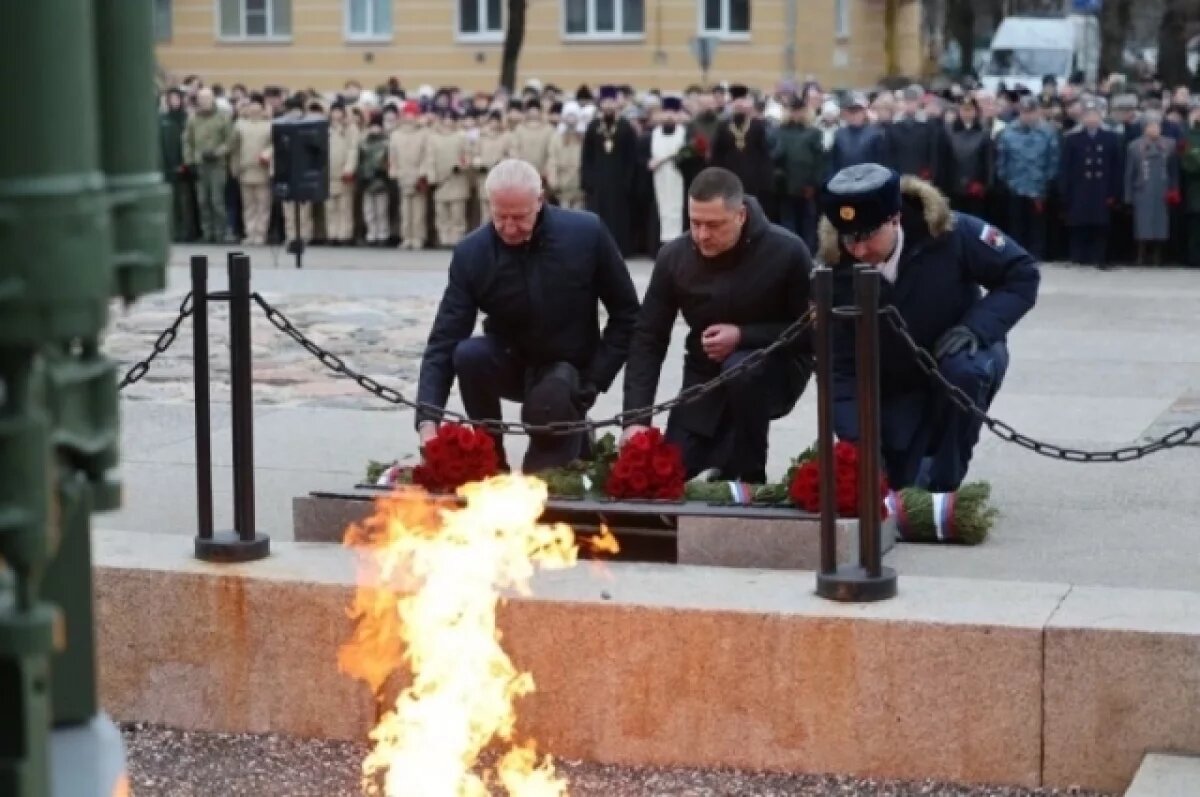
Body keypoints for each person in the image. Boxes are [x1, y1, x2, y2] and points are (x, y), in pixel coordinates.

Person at [817, 163, 1040, 493]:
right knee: (897, 478)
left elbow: (1022, 274)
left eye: (867, 236)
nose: (859, 251)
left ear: (895, 219)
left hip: (959, 354)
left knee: (964, 373)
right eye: (849, 239)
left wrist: (977, 328)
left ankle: (944, 486)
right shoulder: (833, 272)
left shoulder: (952, 233)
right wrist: (861, 448)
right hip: (897, 380)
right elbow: (840, 370)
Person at [415, 158, 641, 472]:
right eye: (500, 217)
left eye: (520, 217)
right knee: (468, 355)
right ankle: (491, 459)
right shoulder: (472, 253)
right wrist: (428, 422)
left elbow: (628, 315)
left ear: (540, 200)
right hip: (511, 361)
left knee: (542, 480)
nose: (509, 228)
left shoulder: (586, 234)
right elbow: (444, 339)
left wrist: (594, 379)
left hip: (568, 370)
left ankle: (576, 434)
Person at [621, 167, 814, 483]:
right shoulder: (674, 257)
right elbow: (648, 338)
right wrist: (636, 418)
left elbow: (811, 332)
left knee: (742, 371)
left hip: (773, 369)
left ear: (740, 215)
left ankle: (750, 475)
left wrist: (743, 336)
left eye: (713, 225)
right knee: (669, 472)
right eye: (694, 223)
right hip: (705, 374)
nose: (702, 235)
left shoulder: (787, 252)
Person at [1058, 98, 1120, 269]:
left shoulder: (1111, 138)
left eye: (1095, 115)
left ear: (1101, 117)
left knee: (1100, 225)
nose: (1092, 119)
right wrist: (1065, 190)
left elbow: (1116, 167)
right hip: (1080, 188)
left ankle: (1099, 257)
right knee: (1078, 224)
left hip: (1101, 188)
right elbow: (1066, 167)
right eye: (1088, 115)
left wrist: (1114, 192)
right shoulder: (1072, 139)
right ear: (1082, 118)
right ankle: (1077, 256)